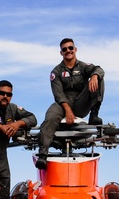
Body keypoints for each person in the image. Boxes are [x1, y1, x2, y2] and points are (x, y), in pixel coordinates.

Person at [36, 38, 105, 168]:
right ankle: (43, 154)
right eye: (64, 49)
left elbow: (99, 69)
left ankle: (94, 114)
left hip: (81, 103)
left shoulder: (83, 66)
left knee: (99, 78)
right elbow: (58, 94)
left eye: (70, 48)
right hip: (63, 103)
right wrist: (67, 110)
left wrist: (95, 76)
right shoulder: (55, 72)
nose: (68, 51)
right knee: (50, 116)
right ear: (61, 53)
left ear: (75, 49)